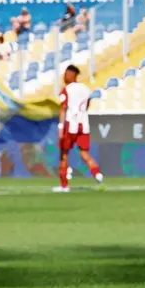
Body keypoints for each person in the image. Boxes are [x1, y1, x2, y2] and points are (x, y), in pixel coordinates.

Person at [54, 65, 103, 193]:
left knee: (63, 154)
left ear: (72, 75)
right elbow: (87, 106)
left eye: (66, 74)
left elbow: (63, 109)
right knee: (84, 152)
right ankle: (97, 174)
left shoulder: (67, 90)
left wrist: (60, 127)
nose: (64, 77)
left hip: (71, 125)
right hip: (84, 124)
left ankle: (64, 186)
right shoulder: (85, 89)